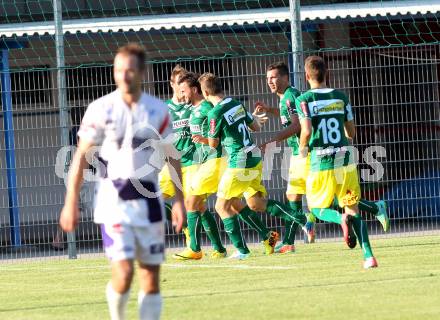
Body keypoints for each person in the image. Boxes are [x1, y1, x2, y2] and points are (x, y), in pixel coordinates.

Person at [59, 43, 186, 319]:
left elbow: (172, 157)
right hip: (113, 201)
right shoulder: (101, 109)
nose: (123, 75)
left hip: (150, 202)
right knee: (124, 272)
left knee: (150, 278)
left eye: (129, 70)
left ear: (141, 71)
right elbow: (81, 157)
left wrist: (179, 201)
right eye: (118, 70)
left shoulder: (158, 110)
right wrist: (71, 202)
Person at [200, 73, 306, 259]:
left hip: (239, 162)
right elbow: (255, 127)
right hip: (254, 158)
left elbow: (213, 144)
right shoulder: (236, 103)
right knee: (254, 203)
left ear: (205, 92)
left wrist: (204, 139)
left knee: (221, 206)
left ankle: (242, 251)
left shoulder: (214, 114)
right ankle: (273, 232)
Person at [296, 55, 377, 268]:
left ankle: (339, 220)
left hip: (320, 162)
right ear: (327, 73)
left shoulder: (304, 99)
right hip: (345, 161)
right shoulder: (341, 97)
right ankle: (369, 256)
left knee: (315, 209)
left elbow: (306, 130)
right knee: (353, 209)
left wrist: (303, 148)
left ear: (306, 76)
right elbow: (351, 132)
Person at [172, 72, 227, 259]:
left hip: (209, 161)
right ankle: (219, 248)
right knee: (203, 206)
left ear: (194, 90)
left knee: (194, 203)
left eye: (183, 91)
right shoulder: (192, 109)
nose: (181, 95)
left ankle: (195, 249)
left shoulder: (206, 107)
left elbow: (221, 113)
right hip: (199, 162)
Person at [255, 62, 309, 253]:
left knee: (323, 198)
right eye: (268, 78)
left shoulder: (290, 95)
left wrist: (272, 141)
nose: (270, 81)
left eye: (274, 77)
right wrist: (270, 110)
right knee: (293, 196)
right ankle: (289, 241)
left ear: (286, 78)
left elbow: (296, 125)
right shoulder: (285, 97)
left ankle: (373, 208)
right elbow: (287, 115)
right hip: (298, 153)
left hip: (304, 153)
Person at [158, 65, 195, 246]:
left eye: (184, 82)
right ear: (171, 84)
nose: (182, 87)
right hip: (172, 165)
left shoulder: (194, 105)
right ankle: (186, 227)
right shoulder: (164, 108)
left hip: (193, 163)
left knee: (197, 206)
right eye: (178, 82)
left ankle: (203, 246)